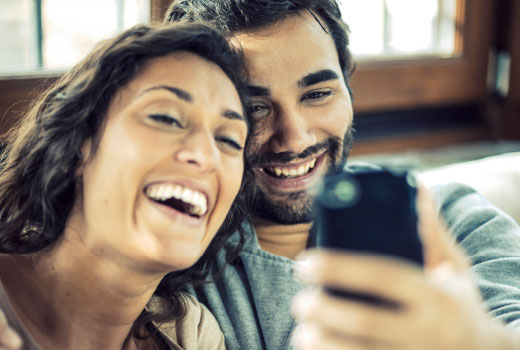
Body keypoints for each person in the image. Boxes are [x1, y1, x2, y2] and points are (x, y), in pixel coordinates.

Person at [165, 1, 520, 349]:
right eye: (253, 108)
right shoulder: (175, 259)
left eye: (317, 94)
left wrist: (478, 341)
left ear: (348, 87)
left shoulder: (452, 219)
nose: (295, 137)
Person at [0, 22, 251, 349]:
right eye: (166, 118)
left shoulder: (193, 334)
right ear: (77, 146)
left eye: (229, 139)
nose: (207, 155)